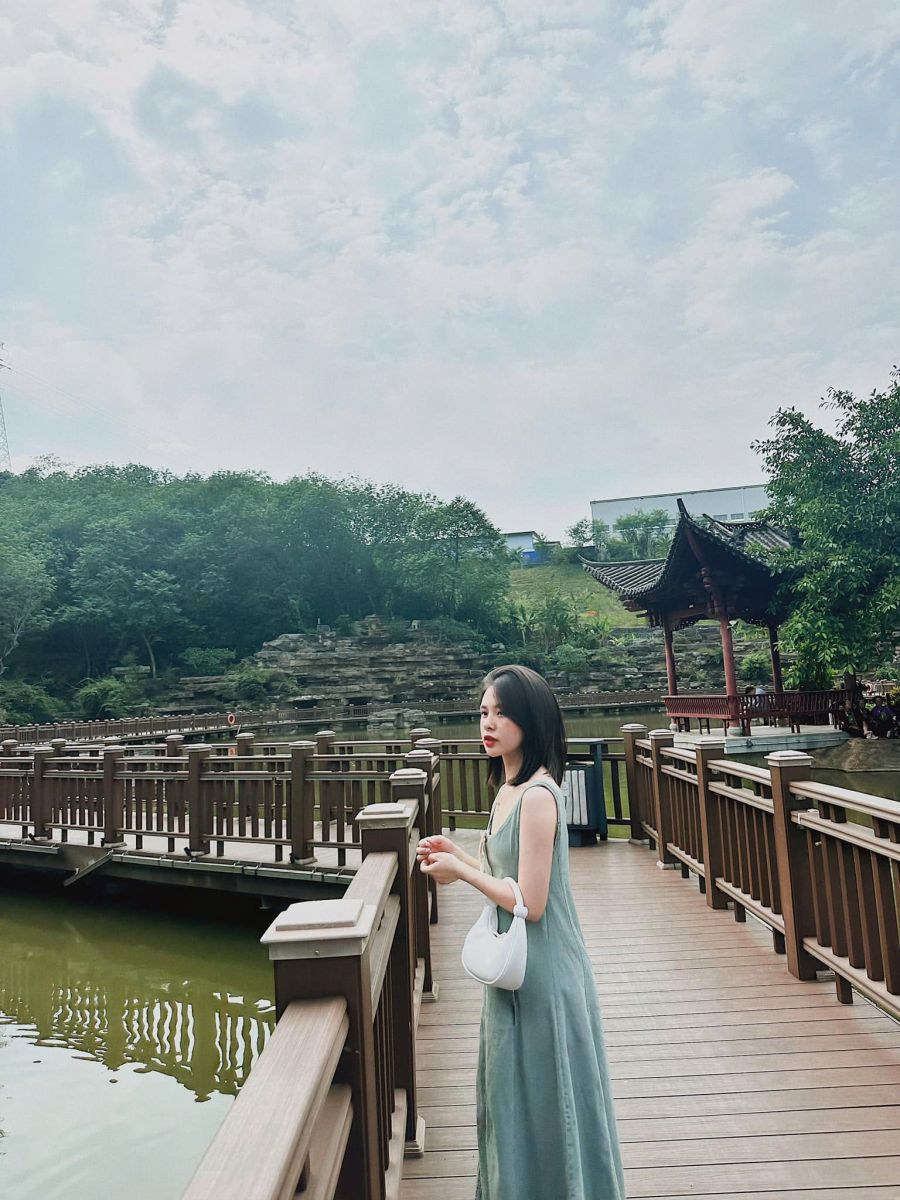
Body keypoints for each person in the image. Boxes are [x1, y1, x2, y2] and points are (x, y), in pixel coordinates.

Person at [417, 664, 626, 1200]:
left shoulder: (538, 795)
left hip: (545, 972)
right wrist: (460, 855)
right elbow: (506, 873)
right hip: (513, 970)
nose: (487, 724)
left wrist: (462, 874)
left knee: (548, 1098)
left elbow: (530, 902)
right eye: (484, 712)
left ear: (530, 721)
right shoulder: (507, 790)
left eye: (501, 713)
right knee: (513, 1097)